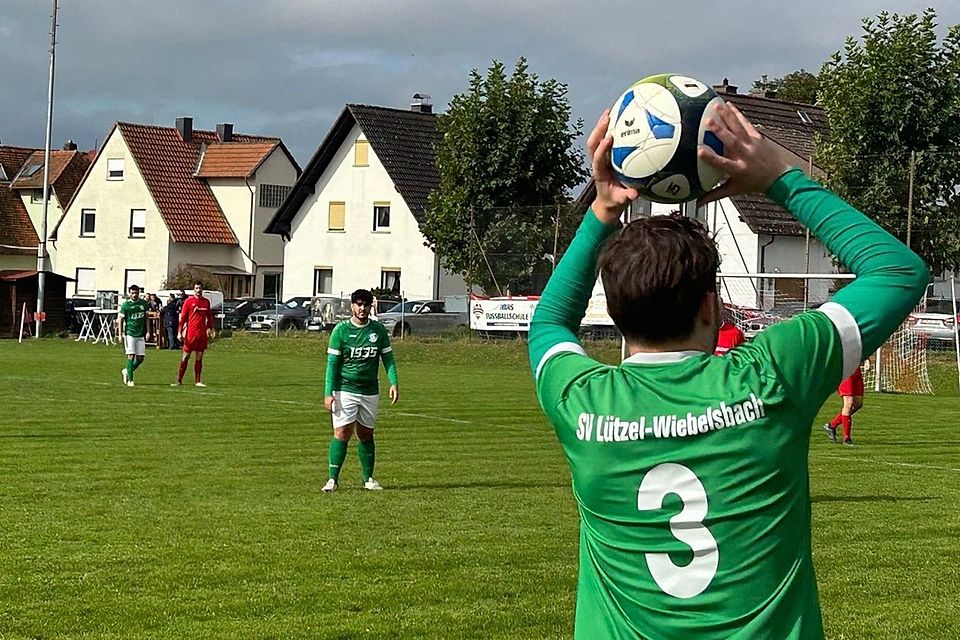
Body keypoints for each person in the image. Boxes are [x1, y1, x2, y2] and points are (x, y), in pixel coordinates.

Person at [527, 103, 928, 639]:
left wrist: (602, 209)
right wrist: (780, 177)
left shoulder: (582, 402)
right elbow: (899, 271)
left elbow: (550, 321)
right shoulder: (772, 374)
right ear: (710, 309)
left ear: (615, 315)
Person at [321, 288, 398, 492]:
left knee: (366, 433)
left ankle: (368, 479)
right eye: (358, 304)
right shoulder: (341, 331)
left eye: (366, 304)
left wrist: (393, 382)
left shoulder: (378, 330)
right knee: (342, 432)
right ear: (352, 306)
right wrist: (328, 393)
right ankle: (332, 479)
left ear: (370, 306)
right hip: (345, 388)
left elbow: (387, 358)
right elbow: (332, 365)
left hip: (370, 390)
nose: (362, 308)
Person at [173, 281, 214, 387]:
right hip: (191, 334)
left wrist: (211, 328)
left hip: (201, 334)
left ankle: (198, 381)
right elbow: (183, 318)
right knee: (185, 356)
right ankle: (178, 380)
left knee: (199, 357)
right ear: (193, 289)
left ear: (202, 289)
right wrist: (179, 332)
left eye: (200, 288)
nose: (198, 290)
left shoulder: (206, 302)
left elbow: (209, 316)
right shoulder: (188, 301)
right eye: (196, 288)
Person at [824, 363, 864, 445]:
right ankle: (847, 439)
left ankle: (832, 425)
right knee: (849, 403)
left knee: (858, 404)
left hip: (855, 370)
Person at [118, 284, 150, 387]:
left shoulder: (144, 304)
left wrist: (149, 331)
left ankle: (127, 371)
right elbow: (120, 320)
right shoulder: (126, 305)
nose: (134, 295)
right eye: (132, 293)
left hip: (140, 334)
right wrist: (120, 334)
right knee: (131, 355)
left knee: (140, 358)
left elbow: (147, 318)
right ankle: (130, 380)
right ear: (129, 293)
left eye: (136, 293)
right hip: (130, 334)